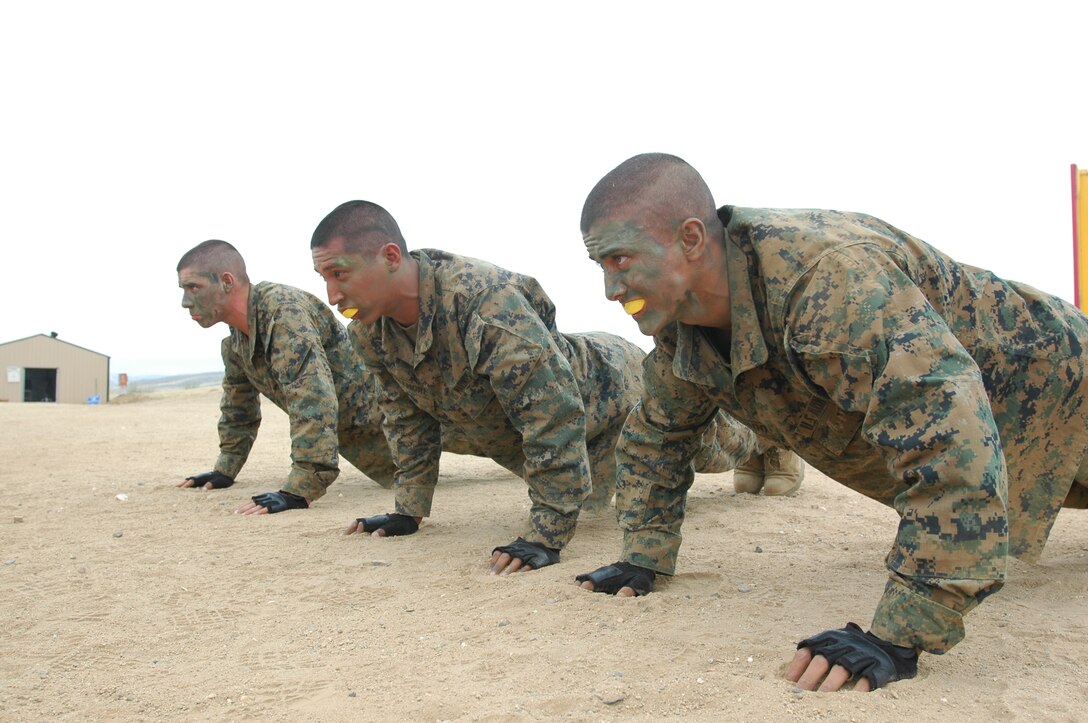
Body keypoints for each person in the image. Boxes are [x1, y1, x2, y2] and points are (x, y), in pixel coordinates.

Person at [575, 152, 1088, 692]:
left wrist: (899, 635)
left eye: (621, 261)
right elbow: (656, 435)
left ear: (691, 238)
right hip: (1007, 421)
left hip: (1057, 381)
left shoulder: (831, 282)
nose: (611, 291)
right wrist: (643, 557)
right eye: (601, 267)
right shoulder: (687, 326)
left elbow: (947, 437)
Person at [310, 200, 758, 575]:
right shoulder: (370, 333)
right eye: (323, 280)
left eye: (340, 274)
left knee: (711, 446)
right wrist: (408, 511)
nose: (332, 295)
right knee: (600, 494)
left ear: (389, 257)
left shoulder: (482, 302)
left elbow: (552, 410)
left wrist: (547, 535)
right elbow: (404, 415)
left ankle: (768, 444)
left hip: (611, 386)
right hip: (560, 425)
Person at [176, 239, 400, 514]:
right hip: (375, 443)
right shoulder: (237, 343)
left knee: (467, 433)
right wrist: (225, 469)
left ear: (226, 281)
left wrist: (301, 489)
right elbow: (238, 409)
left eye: (193, 287)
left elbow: (312, 398)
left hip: (397, 422)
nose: (186, 302)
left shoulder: (284, 312)